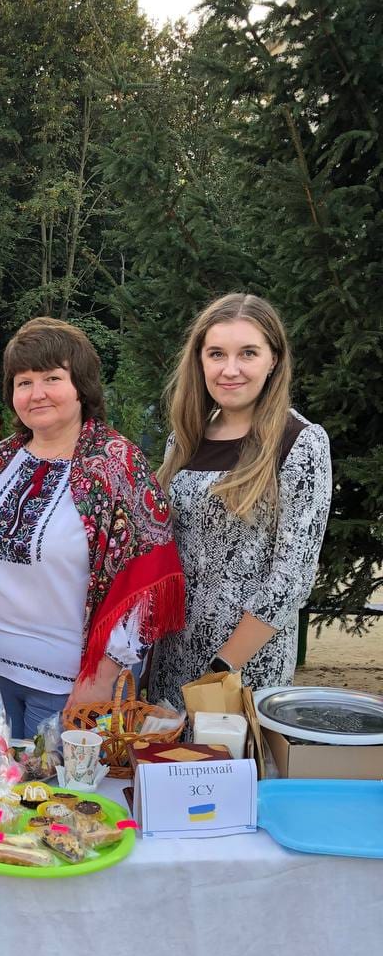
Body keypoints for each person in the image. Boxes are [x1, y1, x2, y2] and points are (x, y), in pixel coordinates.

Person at [0, 317, 184, 739]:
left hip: (71, 685)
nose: (37, 393)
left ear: (81, 385)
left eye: (52, 378)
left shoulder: (116, 464)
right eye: (24, 382)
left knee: (60, 784)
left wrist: (104, 675)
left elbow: (144, 582)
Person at [148, 293, 332, 708]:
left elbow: (292, 579)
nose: (230, 369)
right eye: (217, 354)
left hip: (243, 670)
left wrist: (222, 667)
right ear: (200, 361)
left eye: (248, 353)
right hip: (171, 659)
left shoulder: (299, 442)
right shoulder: (185, 439)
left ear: (273, 360)